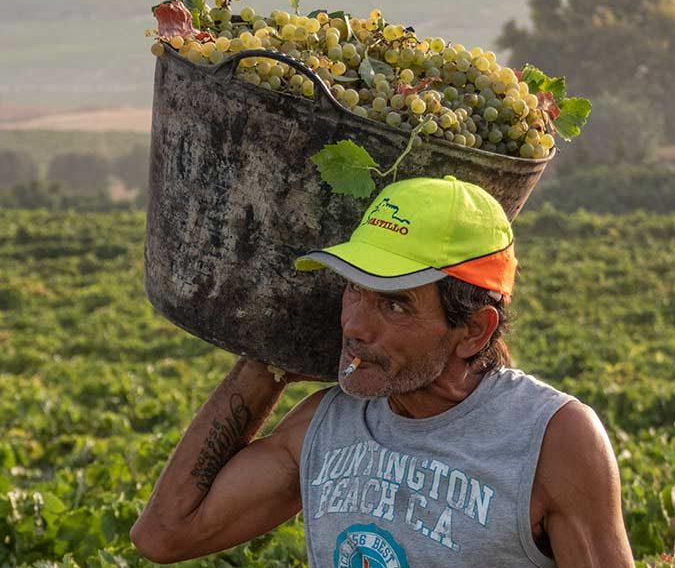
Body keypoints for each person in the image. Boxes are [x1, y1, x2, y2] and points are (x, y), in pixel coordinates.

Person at [130, 177, 635, 566]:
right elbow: (166, 534)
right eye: (353, 288)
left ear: (474, 331)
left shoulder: (551, 439)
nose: (353, 324)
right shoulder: (326, 425)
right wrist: (265, 365)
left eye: (393, 305)